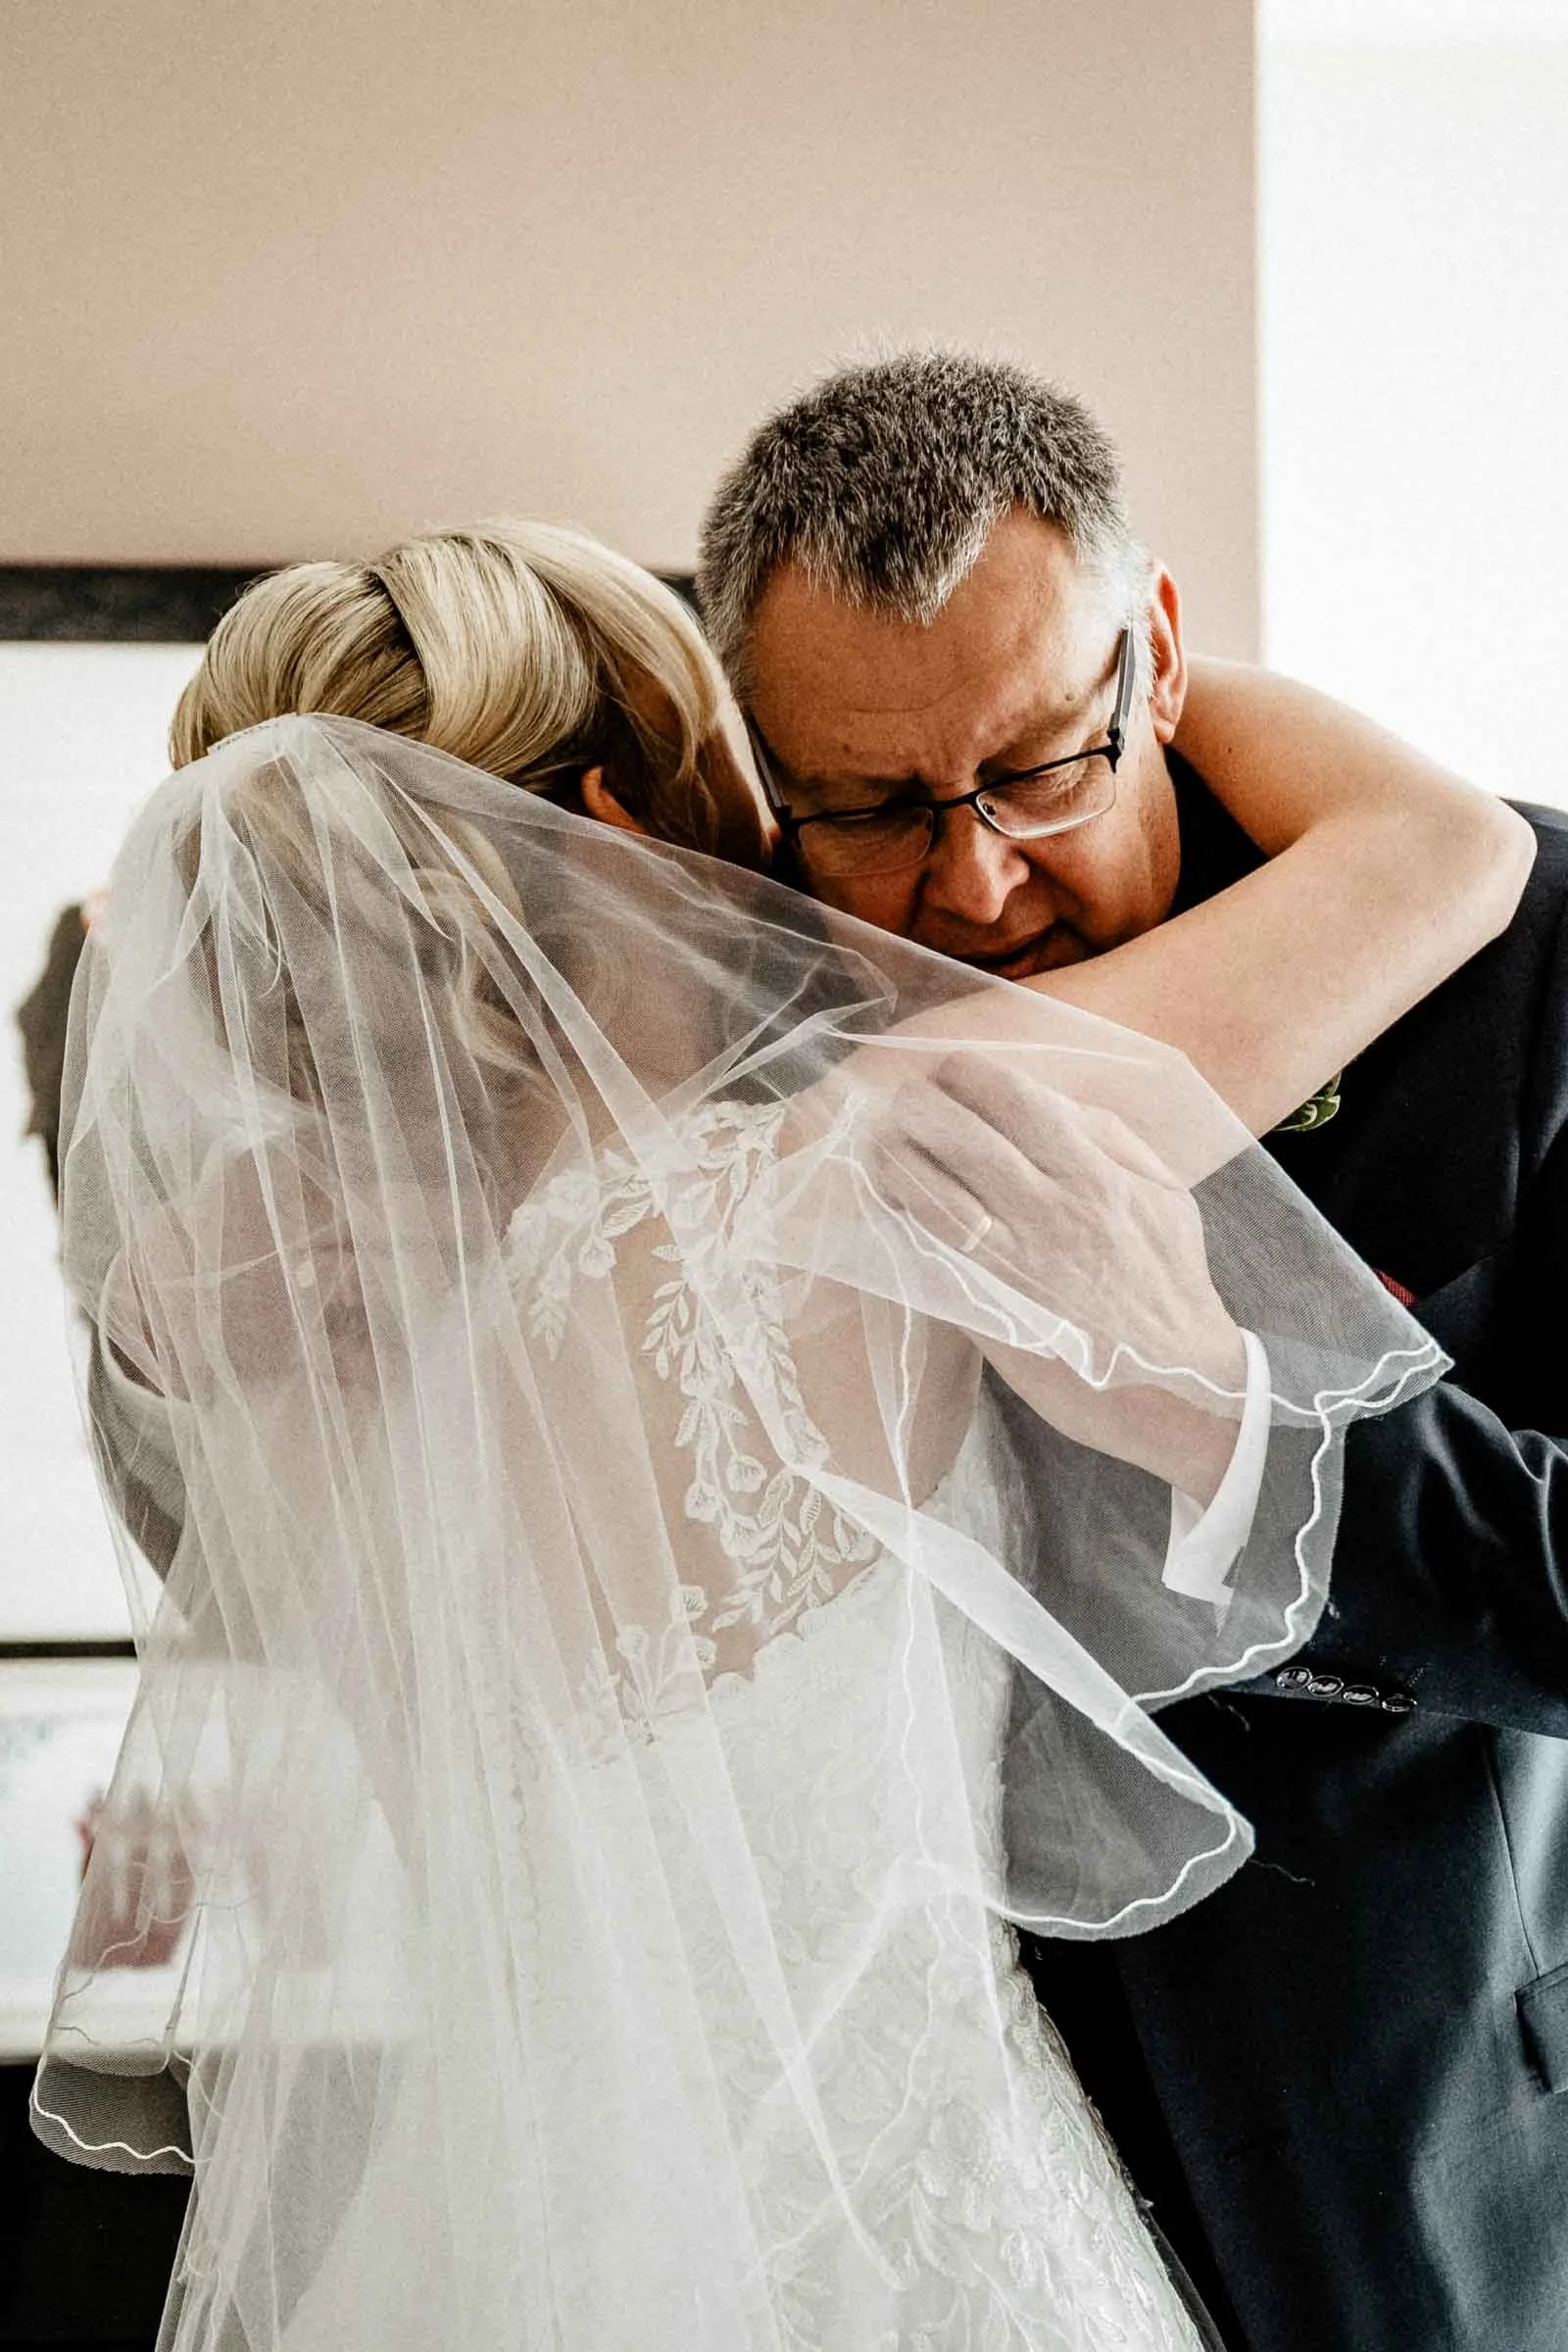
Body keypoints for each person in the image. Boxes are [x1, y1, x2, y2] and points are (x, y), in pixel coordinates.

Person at [31, 522, 1519, 2352]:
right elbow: (1442, 854)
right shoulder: (865, 1169)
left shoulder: (319, 1336)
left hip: (500, 2245)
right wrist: (1132, 673)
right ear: (624, 828)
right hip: (913, 2249)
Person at [696, 349, 1568, 2352]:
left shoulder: (1525, 960)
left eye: (1037, 769)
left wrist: (1227, 1413)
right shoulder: (713, 1010)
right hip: (891, 2158)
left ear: (1158, 656)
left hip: (1406, 2144)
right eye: (870, 808)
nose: (973, 879)